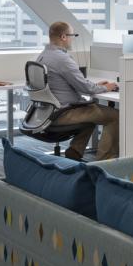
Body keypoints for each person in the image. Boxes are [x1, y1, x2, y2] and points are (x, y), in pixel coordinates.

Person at [36, 21, 120, 161]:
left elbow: (73, 84)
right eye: (72, 35)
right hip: (63, 113)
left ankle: (74, 152)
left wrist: (94, 85)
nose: (73, 39)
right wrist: (107, 87)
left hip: (48, 112)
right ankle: (104, 162)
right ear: (64, 37)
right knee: (115, 116)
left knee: (92, 115)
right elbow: (85, 88)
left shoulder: (43, 55)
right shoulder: (62, 58)